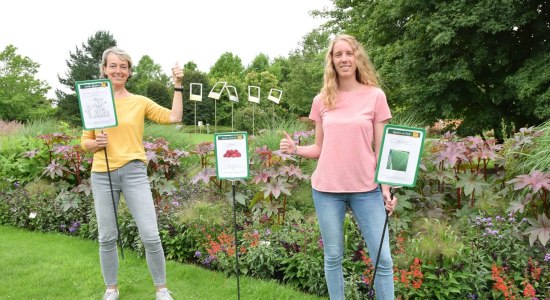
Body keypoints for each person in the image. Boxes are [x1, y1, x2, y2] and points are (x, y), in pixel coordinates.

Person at [279, 34, 397, 299]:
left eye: (349, 53)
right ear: (331, 61)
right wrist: (295, 149)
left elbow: (382, 150)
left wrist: (387, 190)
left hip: (366, 188)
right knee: (333, 256)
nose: (344, 59)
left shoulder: (375, 97)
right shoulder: (322, 99)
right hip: (327, 190)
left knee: (383, 259)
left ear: (357, 58)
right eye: (338, 54)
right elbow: (319, 148)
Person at [81, 46, 184, 300]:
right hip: (102, 174)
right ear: (104, 69)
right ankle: (111, 289)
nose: (118, 70)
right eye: (113, 65)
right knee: (106, 236)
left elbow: (174, 117)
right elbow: (85, 142)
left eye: (123, 66)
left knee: (150, 234)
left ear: (129, 72)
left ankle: (161, 289)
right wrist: (97, 144)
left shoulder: (140, 102)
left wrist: (178, 85)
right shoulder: (94, 100)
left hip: (134, 172)